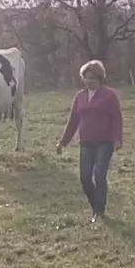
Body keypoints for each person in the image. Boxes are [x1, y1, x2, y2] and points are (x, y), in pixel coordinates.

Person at [56, 59, 124, 223]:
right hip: (86, 142)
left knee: (99, 175)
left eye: (92, 78)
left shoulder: (109, 95)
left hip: (104, 142)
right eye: (86, 78)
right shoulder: (80, 97)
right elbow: (73, 121)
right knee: (85, 177)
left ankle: (100, 211)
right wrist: (63, 142)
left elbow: (117, 118)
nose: (89, 81)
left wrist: (117, 139)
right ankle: (96, 208)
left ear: (100, 79)